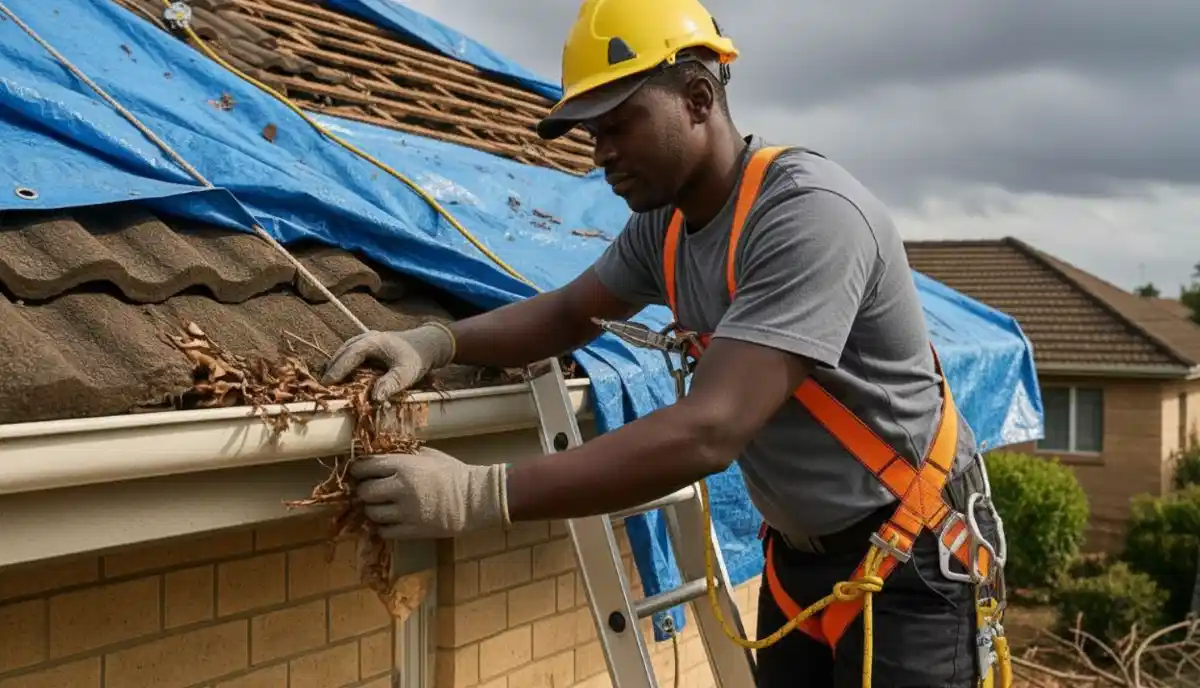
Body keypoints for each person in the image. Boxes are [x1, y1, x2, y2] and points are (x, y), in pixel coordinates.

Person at [320, 0, 1007, 686]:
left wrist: (478, 493)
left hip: (910, 556)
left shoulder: (808, 217)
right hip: (800, 564)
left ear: (699, 97)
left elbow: (711, 430)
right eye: (592, 132)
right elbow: (569, 313)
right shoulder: (669, 228)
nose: (602, 153)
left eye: (618, 124)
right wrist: (435, 343)